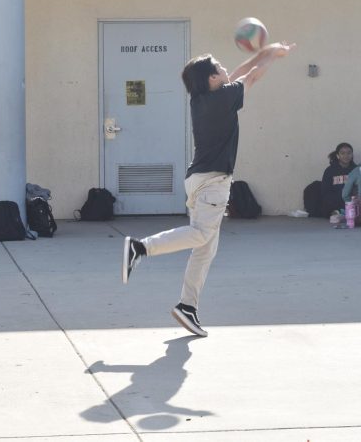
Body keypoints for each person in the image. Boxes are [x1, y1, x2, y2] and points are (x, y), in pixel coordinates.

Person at [122, 42, 295, 337]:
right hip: (213, 182)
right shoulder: (223, 97)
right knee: (202, 236)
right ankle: (140, 248)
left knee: (205, 250)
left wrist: (266, 51)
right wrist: (273, 57)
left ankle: (187, 307)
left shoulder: (203, 98)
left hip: (200, 180)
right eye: (220, 68)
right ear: (212, 79)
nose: (227, 69)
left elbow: (240, 72)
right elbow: (250, 76)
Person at [321, 142, 355, 217]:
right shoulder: (330, 170)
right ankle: (338, 212)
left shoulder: (356, 170)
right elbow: (325, 191)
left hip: (351, 201)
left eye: (349, 153)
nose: (346, 156)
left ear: (352, 155)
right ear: (338, 155)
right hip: (335, 201)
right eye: (342, 153)